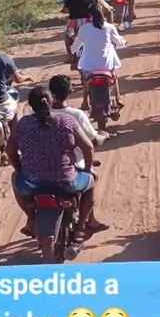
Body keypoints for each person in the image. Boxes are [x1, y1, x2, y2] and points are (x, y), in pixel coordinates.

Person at [7, 86, 107, 247]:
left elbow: (10, 150)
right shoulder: (67, 121)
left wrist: (20, 170)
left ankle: (31, 219)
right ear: (51, 101)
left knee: (14, 178)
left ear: (31, 105)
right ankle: (81, 227)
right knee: (91, 180)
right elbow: (88, 148)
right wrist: (88, 169)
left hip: (31, 183)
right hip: (66, 181)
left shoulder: (23, 123)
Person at [49, 75, 110, 235]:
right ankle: (84, 224)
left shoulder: (39, 114)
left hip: (43, 168)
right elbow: (93, 141)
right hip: (73, 168)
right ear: (70, 92)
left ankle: (32, 222)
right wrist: (103, 135)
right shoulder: (76, 115)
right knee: (91, 179)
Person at [71, 4, 126, 110]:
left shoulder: (84, 28)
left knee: (85, 81)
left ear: (90, 15)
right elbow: (119, 41)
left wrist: (71, 51)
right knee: (113, 77)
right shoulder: (109, 27)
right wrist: (123, 42)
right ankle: (118, 99)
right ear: (102, 13)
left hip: (88, 66)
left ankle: (85, 102)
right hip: (106, 65)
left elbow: (77, 44)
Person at [61, 0, 99, 65]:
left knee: (68, 38)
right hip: (90, 21)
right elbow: (96, 7)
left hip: (74, 22)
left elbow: (66, 10)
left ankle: (70, 56)